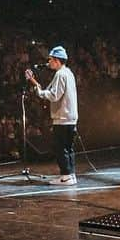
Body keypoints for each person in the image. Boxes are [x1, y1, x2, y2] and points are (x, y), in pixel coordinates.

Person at [26, 45, 79, 184]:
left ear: (56, 60)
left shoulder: (60, 74)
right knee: (68, 148)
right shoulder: (69, 73)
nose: (48, 62)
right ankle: (70, 175)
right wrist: (35, 83)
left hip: (62, 118)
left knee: (60, 148)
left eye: (50, 60)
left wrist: (36, 87)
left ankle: (65, 176)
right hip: (71, 118)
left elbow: (54, 95)